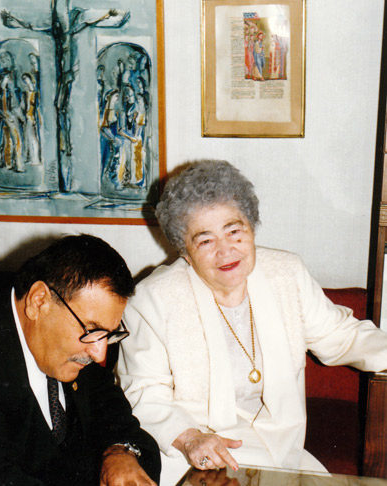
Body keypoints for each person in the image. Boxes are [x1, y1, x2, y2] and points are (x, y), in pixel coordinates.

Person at [116, 160, 387, 478]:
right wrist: (189, 438)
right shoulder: (153, 299)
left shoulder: (286, 273)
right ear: (185, 252)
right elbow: (144, 392)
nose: (225, 251)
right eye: (205, 241)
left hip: (279, 449)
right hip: (195, 453)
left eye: (234, 231)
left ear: (252, 227)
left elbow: (342, 335)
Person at [0, 234, 160, 485]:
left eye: (107, 335)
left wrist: (120, 452)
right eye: (92, 330)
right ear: (38, 301)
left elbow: (114, 414)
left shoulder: (79, 334)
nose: (99, 354)